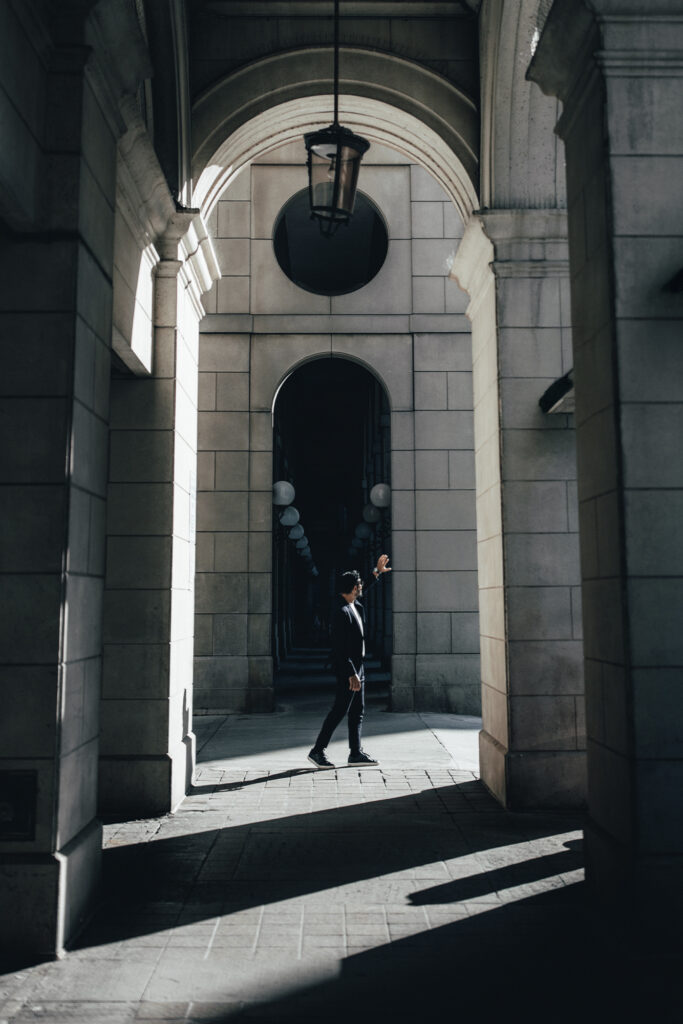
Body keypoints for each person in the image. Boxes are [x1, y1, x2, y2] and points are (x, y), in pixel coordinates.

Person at [308, 554, 392, 769]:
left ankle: (355, 753)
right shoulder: (341, 612)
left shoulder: (354, 605)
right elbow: (338, 647)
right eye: (359, 584)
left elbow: (367, 587)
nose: (362, 586)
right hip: (349, 669)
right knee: (339, 710)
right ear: (353, 588)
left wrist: (376, 573)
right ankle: (318, 751)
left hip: (358, 667)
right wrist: (351, 672)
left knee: (357, 711)